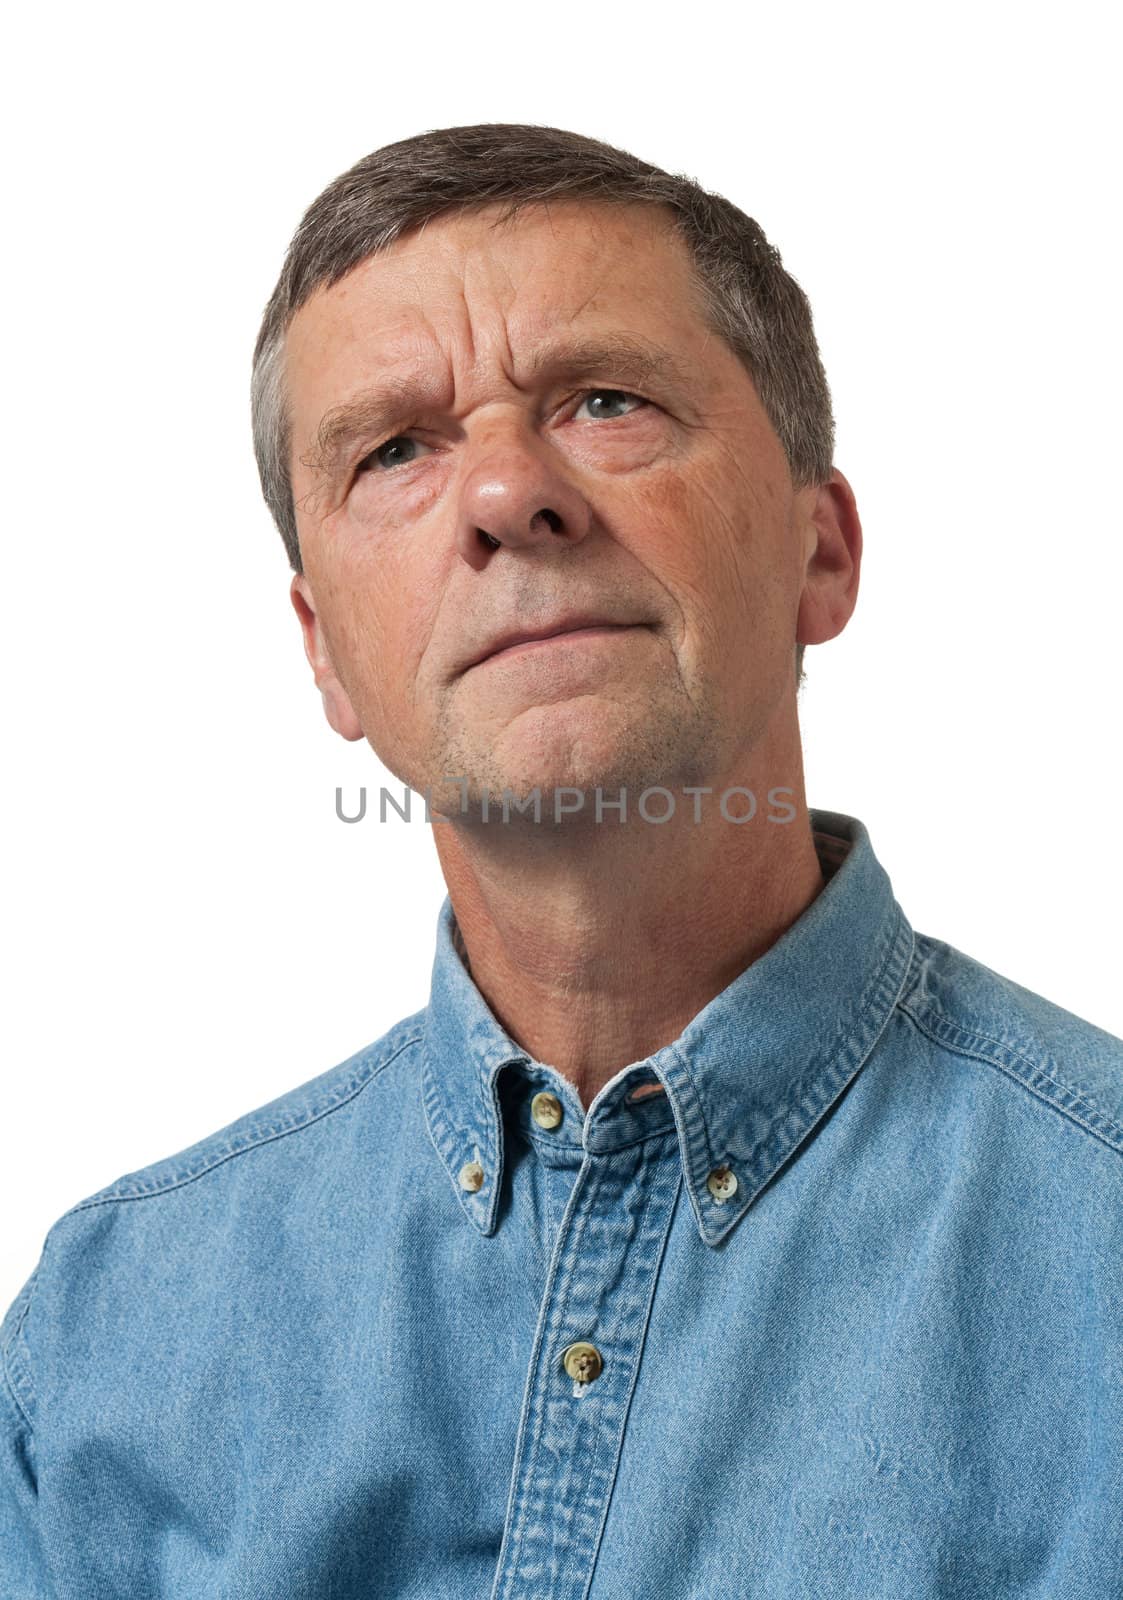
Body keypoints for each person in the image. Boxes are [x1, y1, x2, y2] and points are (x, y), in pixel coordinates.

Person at [3, 122, 1121, 1599]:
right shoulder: (102, 1341)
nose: (504, 495)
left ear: (821, 551)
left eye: (605, 402)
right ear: (328, 656)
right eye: (396, 447)